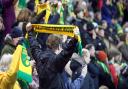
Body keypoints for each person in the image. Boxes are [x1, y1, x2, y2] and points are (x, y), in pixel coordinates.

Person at [26, 23, 79, 89]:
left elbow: (34, 46)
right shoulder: (55, 61)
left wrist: (29, 32)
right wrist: (75, 39)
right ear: (59, 46)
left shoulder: (39, 56)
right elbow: (66, 52)